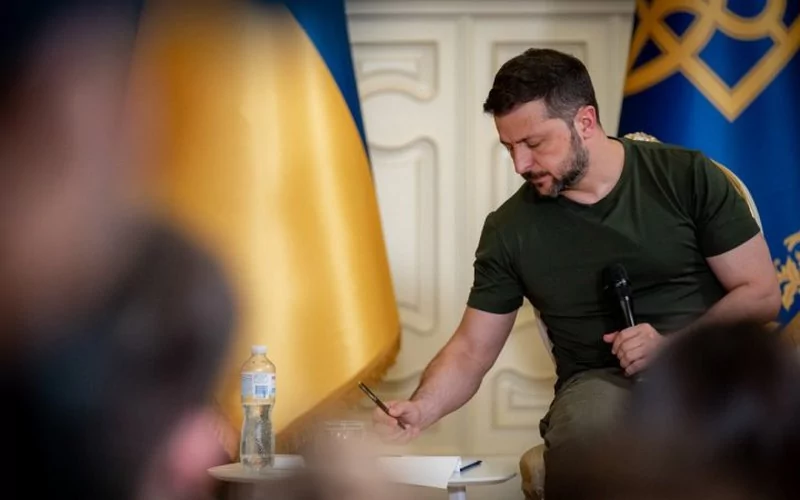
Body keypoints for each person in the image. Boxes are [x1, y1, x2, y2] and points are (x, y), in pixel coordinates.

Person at [372, 48, 781, 494]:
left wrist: (671, 345)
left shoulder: (687, 176)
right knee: (588, 427)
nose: (520, 165)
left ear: (585, 122)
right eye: (509, 147)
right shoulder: (510, 230)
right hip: (600, 384)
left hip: (707, 368)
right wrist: (421, 408)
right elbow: (472, 349)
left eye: (533, 144)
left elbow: (760, 293)